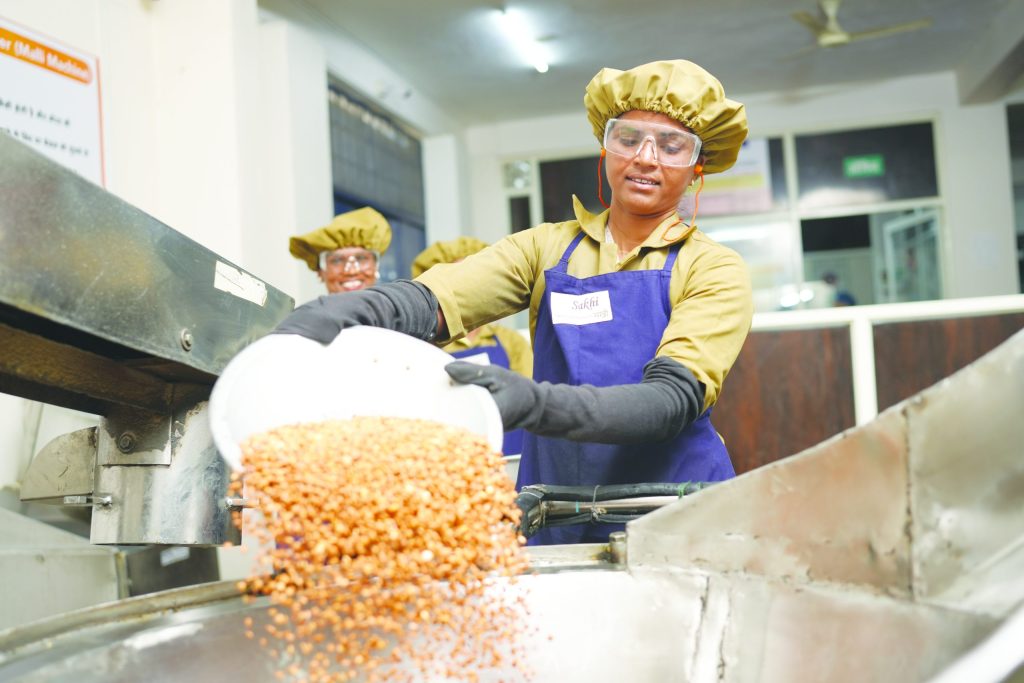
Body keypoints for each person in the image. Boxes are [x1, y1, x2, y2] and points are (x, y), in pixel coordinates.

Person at [275, 60, 753, 545]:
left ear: (698, 164)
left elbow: (669, 401)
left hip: (673, 512)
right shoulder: (547, 248)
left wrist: (532, 403)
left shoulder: (712, 268)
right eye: (628, 138)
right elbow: (441, 296)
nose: (646, 158)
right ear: (605, 147)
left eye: (671, 146)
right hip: (557, 510)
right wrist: (348, 312)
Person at [411, 237, 534, 455]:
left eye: (471, 280)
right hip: (448, 452)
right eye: (455, 283)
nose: (465, 290)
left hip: (511, 452)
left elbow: (529, 400)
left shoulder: (511, 342)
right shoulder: (423, 347)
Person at [289, 206, 391, 293]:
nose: (351, 271)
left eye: (361, 258)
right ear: (320, 272)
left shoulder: (397, 310)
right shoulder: (307, 311)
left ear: (376, 266)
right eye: (337, 261)